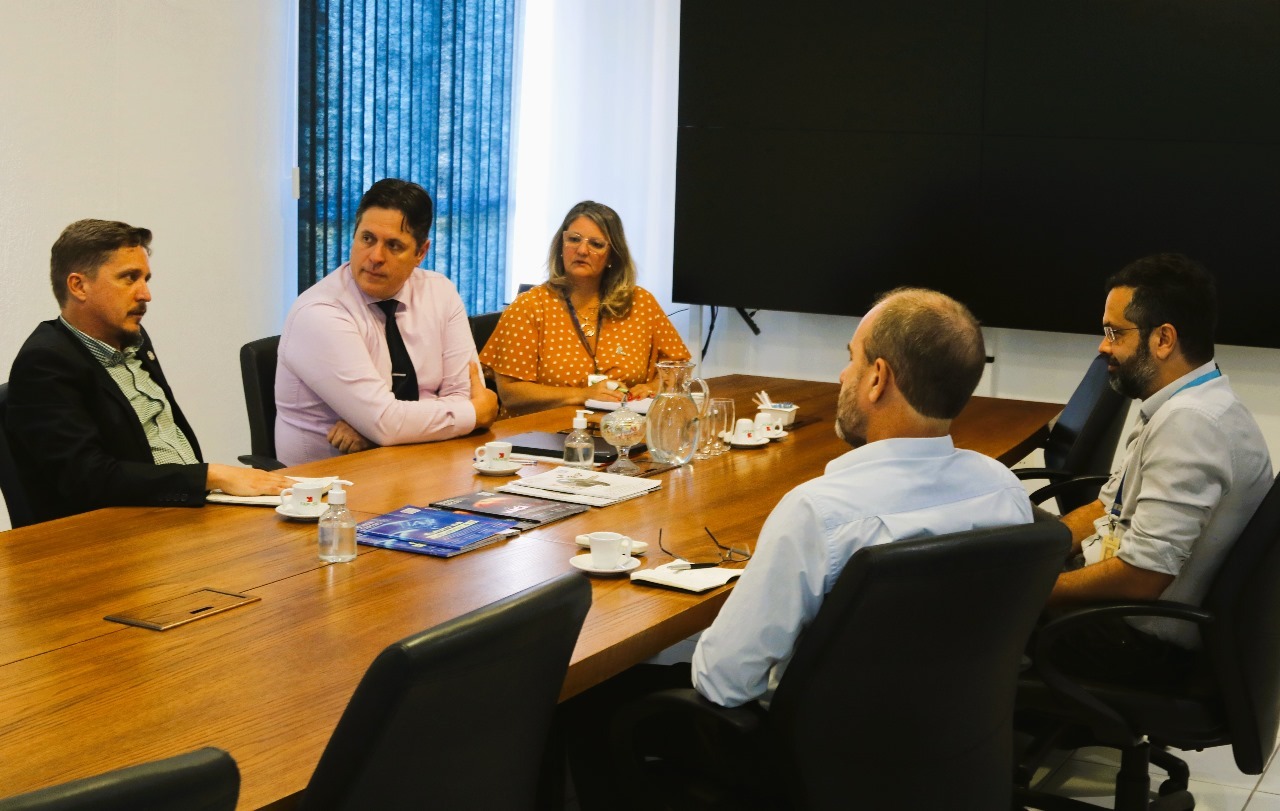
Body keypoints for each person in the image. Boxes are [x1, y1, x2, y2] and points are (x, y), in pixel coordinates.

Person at [563, 288, 1034, 808]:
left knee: (589, 699)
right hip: (945, 747)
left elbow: (723, 682)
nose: (841, 376)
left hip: (804, 762)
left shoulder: (818, 512)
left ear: (877, 378)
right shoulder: (1003, 490)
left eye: (849, 358)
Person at [1043, 253, 1272, 681]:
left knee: (973, 619)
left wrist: (1032, 592)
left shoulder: (1192, 426)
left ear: (1163, 339)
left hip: (1140, 641)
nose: (1103, 345)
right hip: (1126, 615)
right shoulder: (1188, 402)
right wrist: (1036, 545)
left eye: (1114, 332)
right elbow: (1107, 506)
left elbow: (1143, 577)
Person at [5, 219, 291, 523]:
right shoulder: (45, 362)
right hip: (113, 535)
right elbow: (89, 478)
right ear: (79, 286)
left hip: (180, 513)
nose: (145, 294)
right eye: (129, 278)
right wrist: (211, 475)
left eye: (146, 279)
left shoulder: (134, 341)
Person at [275, 178, 499, 465]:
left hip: (419, 465)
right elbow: (389, 422)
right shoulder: (320, 313)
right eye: (367, 239)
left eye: (394, 246)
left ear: (421, 252)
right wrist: (471, 414)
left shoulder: (439, 292)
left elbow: (464, 394)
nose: (375, 257)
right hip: (329, 486)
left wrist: (382, 428)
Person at [477, 200, 690, 414]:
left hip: (624, 429)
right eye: (574, 239)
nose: (582, 250)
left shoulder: (640, 303)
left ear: (612, 256)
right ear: (561, 245)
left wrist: (651, 388)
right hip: (543, 434)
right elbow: (511, 394)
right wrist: (581, 395)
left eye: (596, 244)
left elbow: (679, 369)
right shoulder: (529, 306)